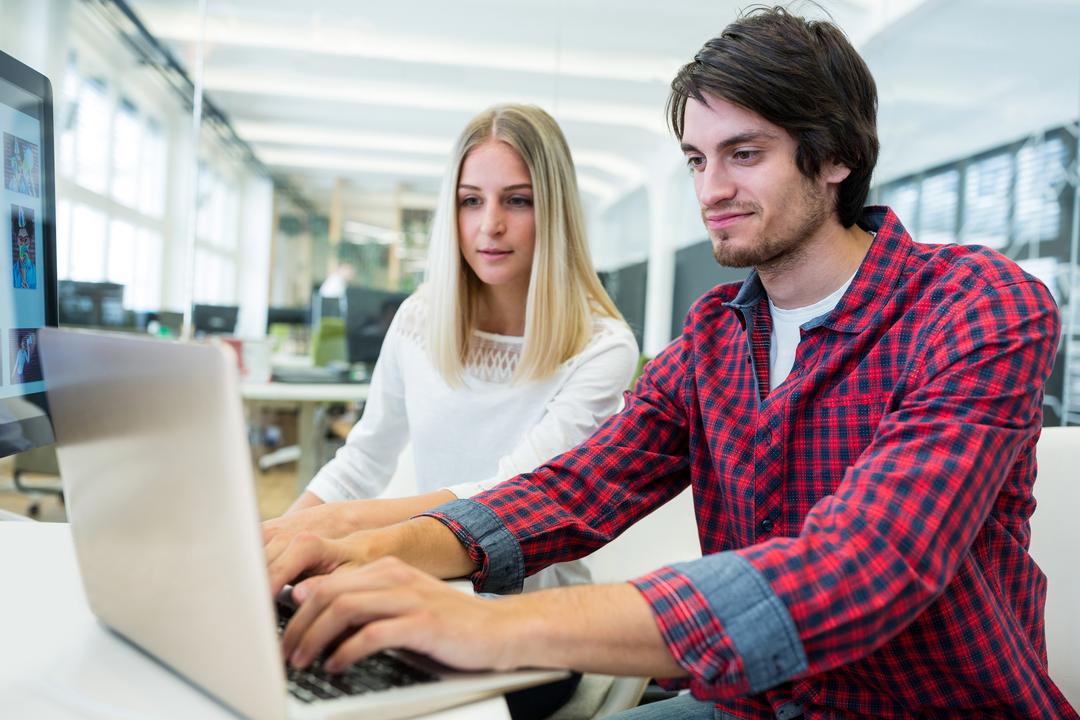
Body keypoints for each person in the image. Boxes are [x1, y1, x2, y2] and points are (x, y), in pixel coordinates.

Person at [265, 8, 1076, 720]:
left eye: (744, 153)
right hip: (752, 706)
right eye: (696, 159)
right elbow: (569, 491)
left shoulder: (977, 307)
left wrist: (480, 625)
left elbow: (867, 564)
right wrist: (352, 547)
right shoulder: (714, 340)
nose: (711, 189)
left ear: (833, 159)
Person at [265, 103, 639, 593]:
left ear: (555, 211)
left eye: (518, 200)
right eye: (471, 201)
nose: (490, 225)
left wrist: (344, 523)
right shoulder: (420, 319)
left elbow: (510, 499)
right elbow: (363, 461)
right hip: (425, 587)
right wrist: (276, 542)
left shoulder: (602, 347)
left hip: (535, 611)